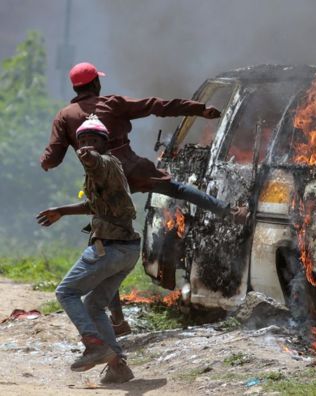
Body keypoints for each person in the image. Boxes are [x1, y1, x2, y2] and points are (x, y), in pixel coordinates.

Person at [40, 62, 248, 335]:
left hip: (102, 183)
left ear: (76, 87)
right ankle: (230, 212)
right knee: (179, 189)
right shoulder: (111, 103)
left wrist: (45, 161)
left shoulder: (65, 116)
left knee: (103, 245)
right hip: (132, 169)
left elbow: (51, 160)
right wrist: (199, 109)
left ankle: (117, 320)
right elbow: (157, 105)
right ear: (95, 84)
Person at [37, 116, 139, 383]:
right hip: (127, 251)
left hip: (110, 249)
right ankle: (118, 365)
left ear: (104, 144)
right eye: (82, 141)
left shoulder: (103, 163)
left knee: (66, 292)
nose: (86, 146)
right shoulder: (112, 169)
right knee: (94, 305)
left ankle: (94, 345)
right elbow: (97, 206)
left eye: (94, 141)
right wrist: (61, 210)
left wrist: (89, 155)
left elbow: (96, 162)